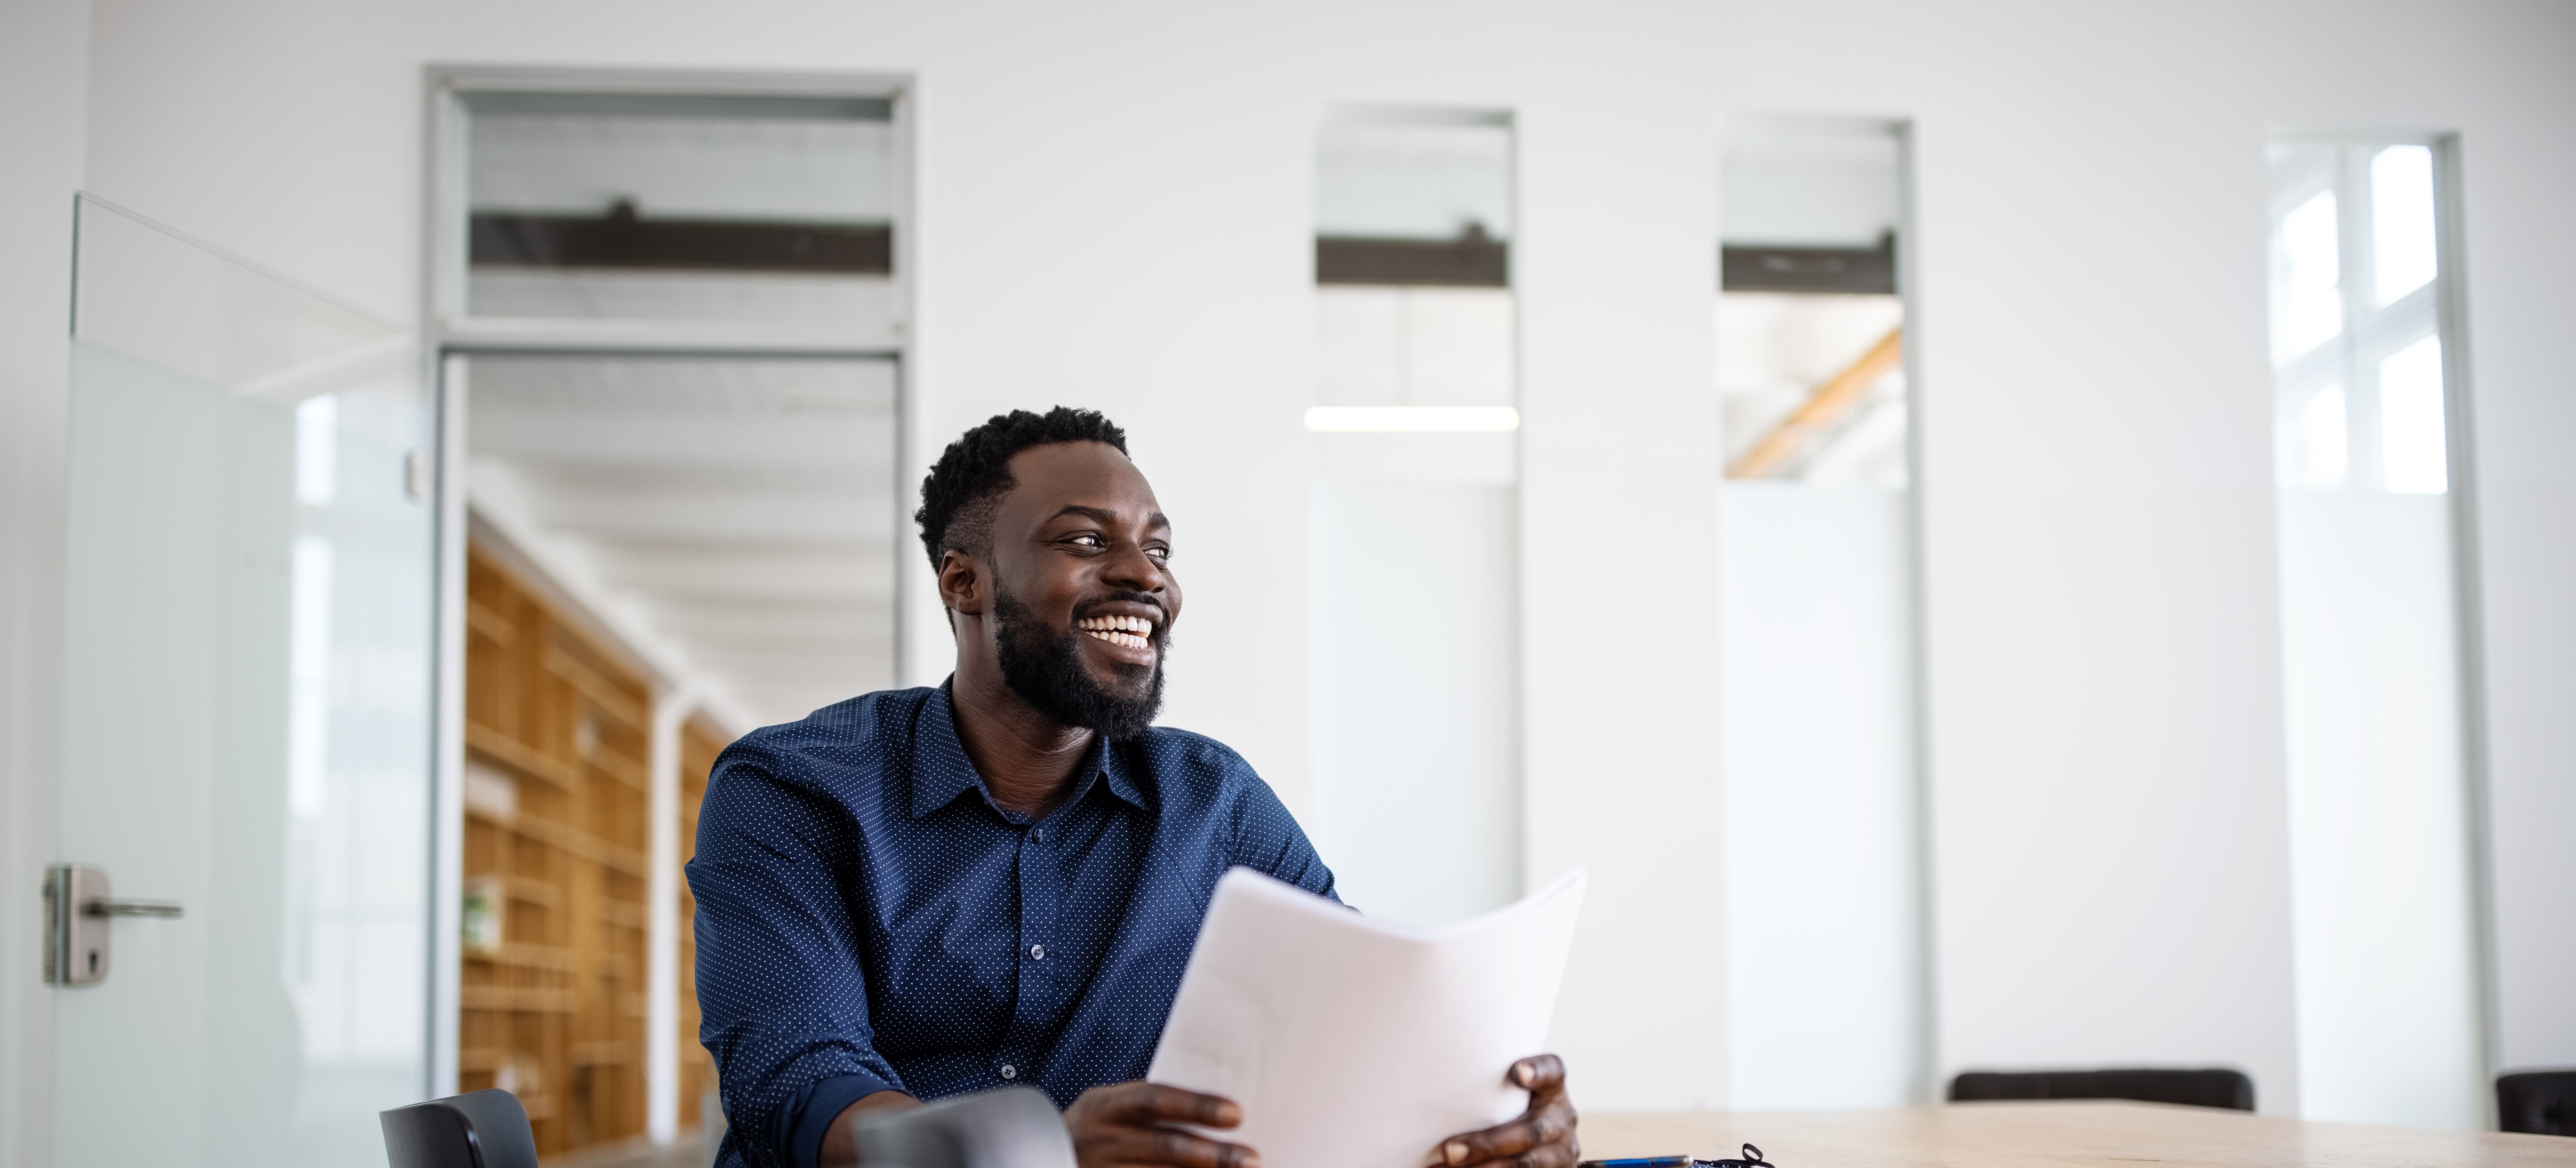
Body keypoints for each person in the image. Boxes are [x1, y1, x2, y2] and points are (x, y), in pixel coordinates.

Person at [688, 407, 1580, 1168]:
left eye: (1158, 548)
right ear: (964, 580)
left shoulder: (1216, 802)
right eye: (1085, 540)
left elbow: (1354, 1035)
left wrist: (1486, 1121)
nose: (1146, 574)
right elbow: (798, 1085)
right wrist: (1038, 1153)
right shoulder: (793, 788)